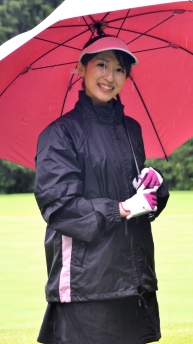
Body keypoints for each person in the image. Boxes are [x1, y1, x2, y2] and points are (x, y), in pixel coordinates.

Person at [34, 34, 170, 344]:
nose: (110, 77)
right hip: (87, 286)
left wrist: (154, 187)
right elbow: (59, 206)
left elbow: (137, 196)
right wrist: (120, 209)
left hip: (135, 280)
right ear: (81, 69)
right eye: (102, 65)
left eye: (120, 69)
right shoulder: (60, 134)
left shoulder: (131, 129)